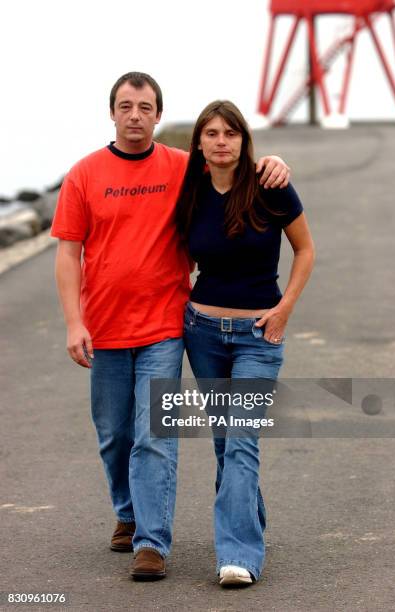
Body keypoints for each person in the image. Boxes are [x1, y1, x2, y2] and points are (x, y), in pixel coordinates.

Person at [50, 72, 291, 581]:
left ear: (159, 116)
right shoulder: (83, 174)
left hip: (166, 325)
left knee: (156, 436)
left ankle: (151, 543)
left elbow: (234, 166)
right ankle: (128, 511)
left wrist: (273, 163)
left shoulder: (185, 170)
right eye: (125, 106)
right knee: (115, 436)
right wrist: (74, 322)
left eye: (145, 107)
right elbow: (68, 253)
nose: (134, 115)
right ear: (111, 112)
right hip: (105, 328)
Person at [175, 100, 315, 586]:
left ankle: (237, 557)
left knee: (241, 442)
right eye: (211, 133)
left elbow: (305, 249)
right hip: (204, 334)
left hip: (259, 335)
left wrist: (285, 308)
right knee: (226, 444)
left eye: (230, 133)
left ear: (243, 139)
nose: (220, 141)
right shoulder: (188, 190)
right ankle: (248, 527)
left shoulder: (270, 185)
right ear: (198, 142)